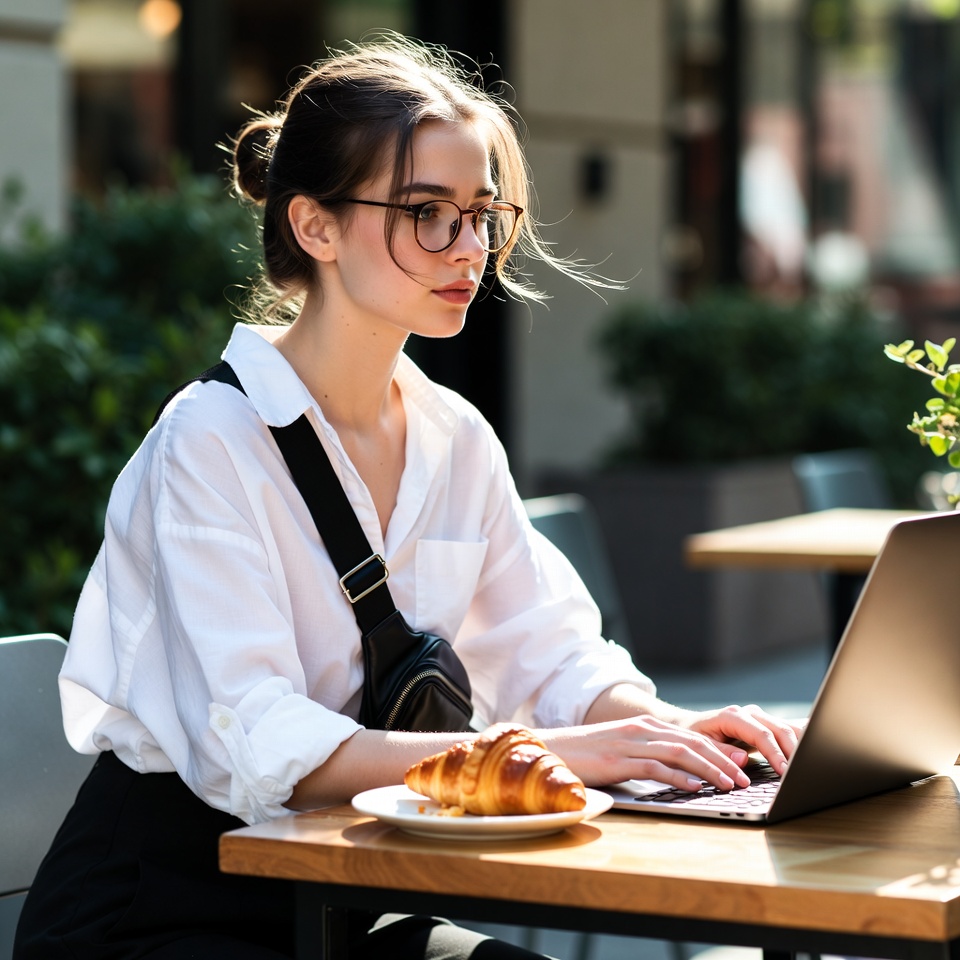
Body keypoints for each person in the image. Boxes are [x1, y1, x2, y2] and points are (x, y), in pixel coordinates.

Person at [14, 34, 801, 960]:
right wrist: (542, 758)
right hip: (164, 910)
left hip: (352, 892)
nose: (469, 247)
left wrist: (674, 733)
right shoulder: (207, 444)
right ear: (315, 226)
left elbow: (547, 649)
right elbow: (266, 742)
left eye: (480, 213)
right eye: (427, 212)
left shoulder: (454, 437)